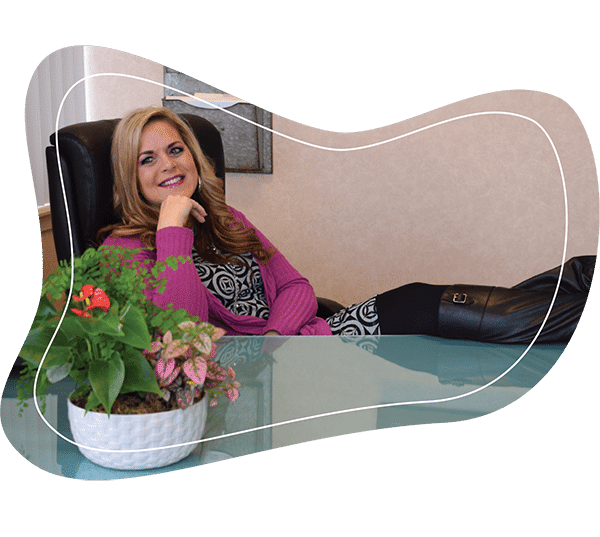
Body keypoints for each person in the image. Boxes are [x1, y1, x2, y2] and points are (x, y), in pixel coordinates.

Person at [100, 107, 594, 345]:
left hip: (312, 344)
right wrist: (171, 228)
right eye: (147, 159)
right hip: (267, 373)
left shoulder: (228, 217)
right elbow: (182, 332)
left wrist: (276, 336)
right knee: (457, 316)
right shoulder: (124, 252)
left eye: (175, 148)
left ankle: (579, 275)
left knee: (422, 298)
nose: (168, 164)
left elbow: (295, 286)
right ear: (129, 174)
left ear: (191, 153)